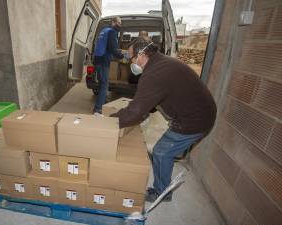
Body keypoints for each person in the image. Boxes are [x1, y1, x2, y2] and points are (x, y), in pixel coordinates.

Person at [111, 39, 217, 202]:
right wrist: (143, 111)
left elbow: (135, 111)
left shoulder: (154, 73)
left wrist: (109, 122)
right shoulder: (161, 63)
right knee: (162, 151)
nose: (130, 62)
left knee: (162, 152)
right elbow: (155, 97)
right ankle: (163, 185)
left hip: (195, 120)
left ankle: (162, 193)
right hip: (198, 112)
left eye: (131, 58)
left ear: (142, 55)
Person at [93, 16, 125, 114]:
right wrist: (123, 56)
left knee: (102, 83)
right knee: (104, 85)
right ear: (113, 22)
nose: (120, 25)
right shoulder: (112, 32)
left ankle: (102, 103)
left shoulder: (104, 30)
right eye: (119, 23)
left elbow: (107, 46)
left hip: (98, 60)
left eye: (120, 23)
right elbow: (113, 49)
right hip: (103, 61)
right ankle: (98, 110)